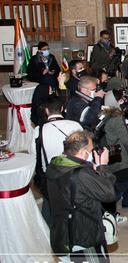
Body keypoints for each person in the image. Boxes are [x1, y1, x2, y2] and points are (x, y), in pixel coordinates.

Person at [45, 131, 128, 263]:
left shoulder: (55, 165)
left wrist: (90, 169)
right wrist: (102, 167)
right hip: (84, 238)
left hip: (62, 237)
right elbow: (109, 194)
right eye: (92, 150)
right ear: (83, 152)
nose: (94, 152)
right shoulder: (81, 174)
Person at [28, 96, 82, 225]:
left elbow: (33, 154)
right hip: (74, 176)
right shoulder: (75, 126)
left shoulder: (39, 130)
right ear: (62, 109)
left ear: (46, 111)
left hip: (51, 178)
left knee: (49, 210)